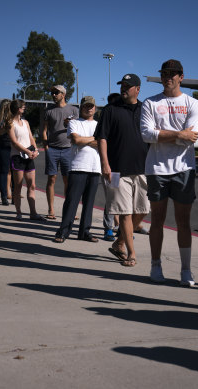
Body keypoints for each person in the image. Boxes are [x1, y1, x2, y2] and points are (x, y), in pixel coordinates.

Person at [141, 59, 198, 287]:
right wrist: (179, 134)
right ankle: (156, 265)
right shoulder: (150, 103)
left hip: (184, 168)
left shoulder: (193, 103)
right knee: (156, 220)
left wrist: (163, 133)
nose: (168, 77)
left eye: (173, 73)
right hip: (157, 169)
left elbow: (192, 135)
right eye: (165, 73)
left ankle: (186, 270)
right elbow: (147, 134)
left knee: (183, 221)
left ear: (181, 76)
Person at [95, 74, 149, 267]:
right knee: (125, 212)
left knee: (143, 210)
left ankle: (120, 242)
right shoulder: (111, 109)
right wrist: (105, 164)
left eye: (128, 86)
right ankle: (131, 253)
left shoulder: (145, 109)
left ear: (138, 89)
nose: (124, 88)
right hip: (117, 171)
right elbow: (102, 138)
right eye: (122, 85)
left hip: (143, 169)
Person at [53, 96, 100, 243]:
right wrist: (92, 139)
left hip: (95, 168)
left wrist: (85, 140)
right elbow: (76, 140)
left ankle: (84, 232)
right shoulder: (74, 123)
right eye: (86, 106)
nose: (89, 108)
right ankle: (63, 231)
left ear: (95, 108)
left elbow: (102, 143)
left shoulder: (99, 125)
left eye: (91, 106)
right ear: (81, 108)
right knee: (72, 201)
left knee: (89, 203)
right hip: (78, 167)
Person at [41, 85, 79, 220]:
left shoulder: (74, 110)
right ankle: (51, 209)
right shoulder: (48, 111)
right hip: (52, 149)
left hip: (69, 149)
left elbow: (79, 129)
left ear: (63, 94)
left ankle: (69, 210)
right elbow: (44, 131)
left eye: (56, 92)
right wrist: (46, 147)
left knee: (68, 180)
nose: (53, 95)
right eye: (52, 92)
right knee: (51, 179)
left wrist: (71, 123)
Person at [8, 99, 44, 221]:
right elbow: (14, 142)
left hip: (29, 157)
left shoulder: (26, 122)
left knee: (31, 185)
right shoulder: (10, 123)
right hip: (18, 157)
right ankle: (18, 213)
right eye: (23, 106)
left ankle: (33, 213)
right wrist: (27, 152)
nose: (24, 108)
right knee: (18, 186)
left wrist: (35, 150)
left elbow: (31, 137)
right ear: (18, 108)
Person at [0, 99, 13, 205]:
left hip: (14, 147)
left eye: (9, 106)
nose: (7, 108)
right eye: (5, 107)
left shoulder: (14, 118)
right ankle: (4, 196)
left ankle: (15, 195)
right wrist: (3, 129)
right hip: (3, 147)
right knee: (4, 171)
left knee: (15, 171)